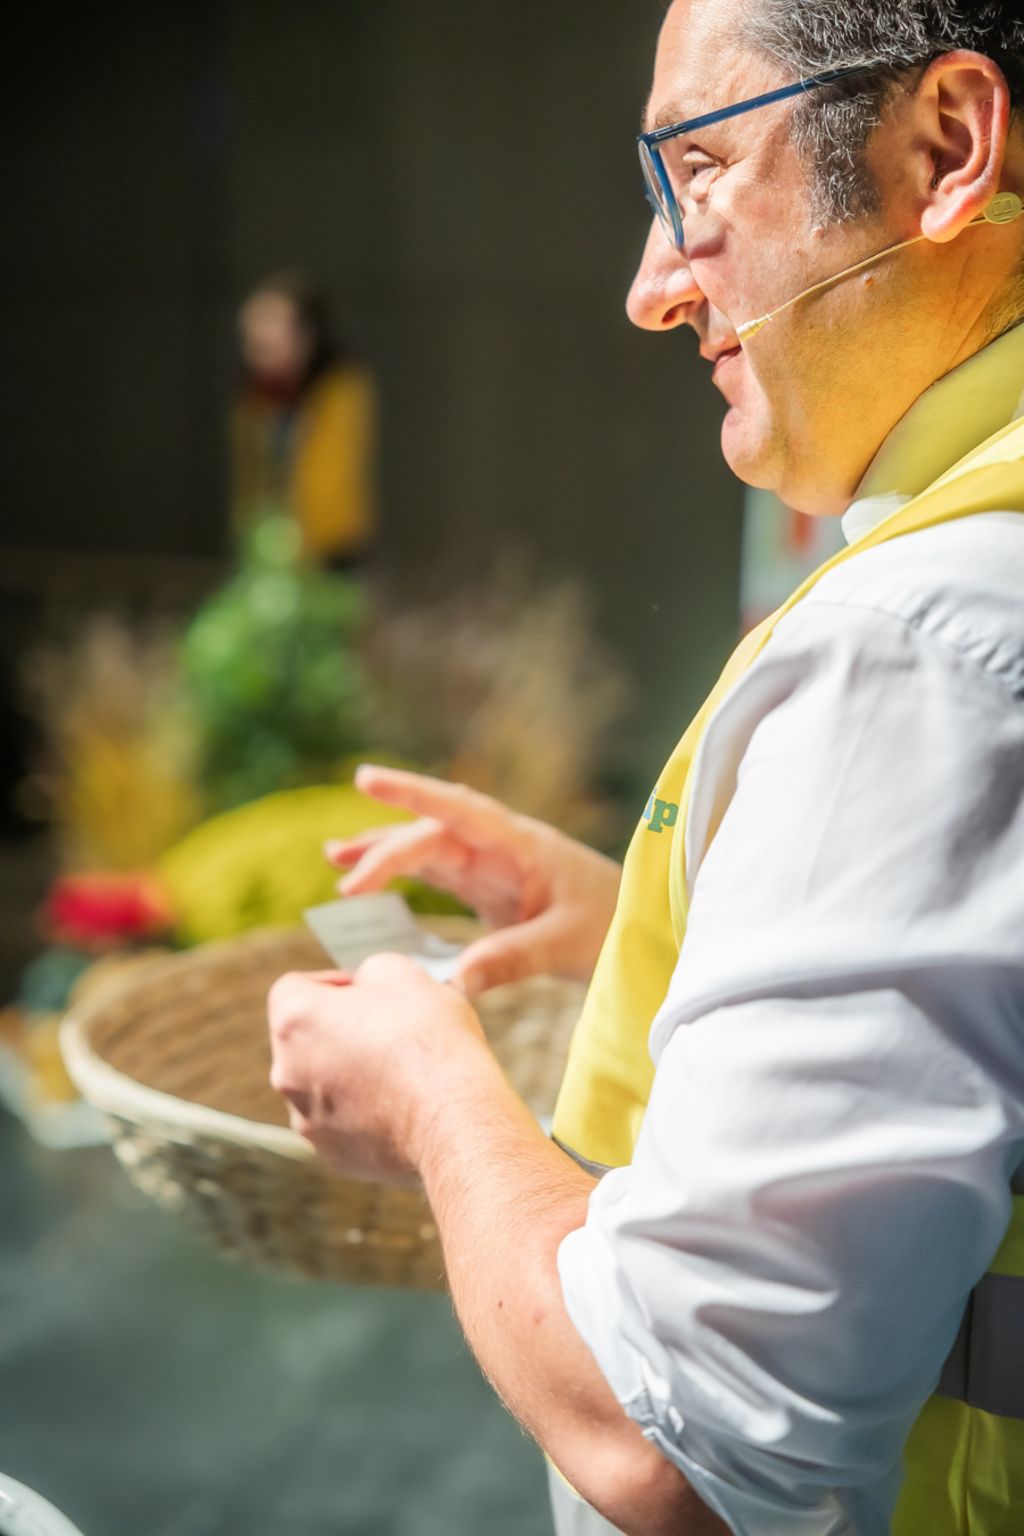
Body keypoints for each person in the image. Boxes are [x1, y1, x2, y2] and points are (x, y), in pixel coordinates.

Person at [267, 3, 1024, 1532]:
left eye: (702, 166)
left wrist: (430, 1095)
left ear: (946, 145)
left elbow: (677, 1449)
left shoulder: (925, 640)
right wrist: (663, 912)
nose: (650, 289)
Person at [231, 271, 376, 566]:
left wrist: (303, 543)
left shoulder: (339, 390)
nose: (258, 344)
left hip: (326, 549)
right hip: (264, 547)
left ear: (305, 335)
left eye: (271, 330)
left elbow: (332, 481)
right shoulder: (254, 401)